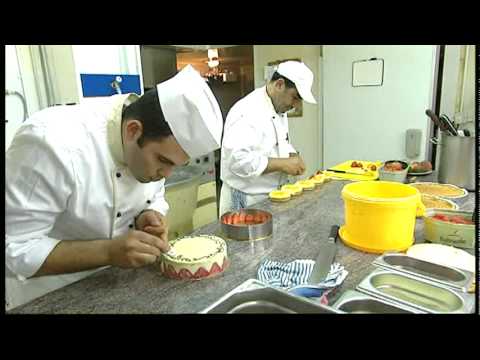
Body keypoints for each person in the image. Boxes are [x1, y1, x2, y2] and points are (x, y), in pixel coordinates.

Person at [5, 65, 223, 309]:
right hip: (50, 296)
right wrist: (108, 252)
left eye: (175, 166)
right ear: (133, 131)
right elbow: (12, 248)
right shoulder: (52, 143)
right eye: (162, 161)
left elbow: (155, 196)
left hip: (119, 286)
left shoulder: (149, 144)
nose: (166, 174)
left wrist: (150, 216)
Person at [219, 60, 317, 215]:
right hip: (246, 199)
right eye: (295, 97)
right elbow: (237, 160)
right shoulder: (247, 111)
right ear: (279, 84)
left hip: (268, 196)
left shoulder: (277, 107)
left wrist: (291, 155)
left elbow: (277, 141)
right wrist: (282, 164)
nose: (297, 105)